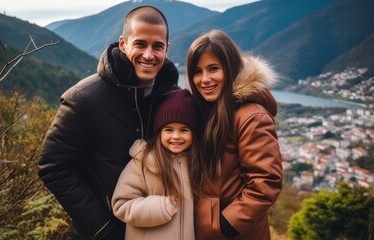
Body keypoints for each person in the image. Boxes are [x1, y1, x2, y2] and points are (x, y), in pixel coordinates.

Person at [37, 6, 179, 240]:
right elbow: (53, 167)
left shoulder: (171, 98)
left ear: (167, 49)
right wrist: (102, 227)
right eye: (140, 44)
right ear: (123, 44)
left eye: (158, 46)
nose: (149, 55)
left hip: (155, 231)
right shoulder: (83, 98)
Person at [186, 29, 283, 240]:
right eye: (197, 71)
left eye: (213, 69)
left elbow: (266, 182)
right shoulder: (207, 109)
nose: (204, 79)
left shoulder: (251, 116)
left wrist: (224, 225)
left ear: (230, 69)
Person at [111, 89, 202, 240]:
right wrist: (161, 207)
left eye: (184, 130)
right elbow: (121, 205)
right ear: (159, 132)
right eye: (169, 130)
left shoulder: (196, 162)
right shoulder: (143, 161)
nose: (176, 136)